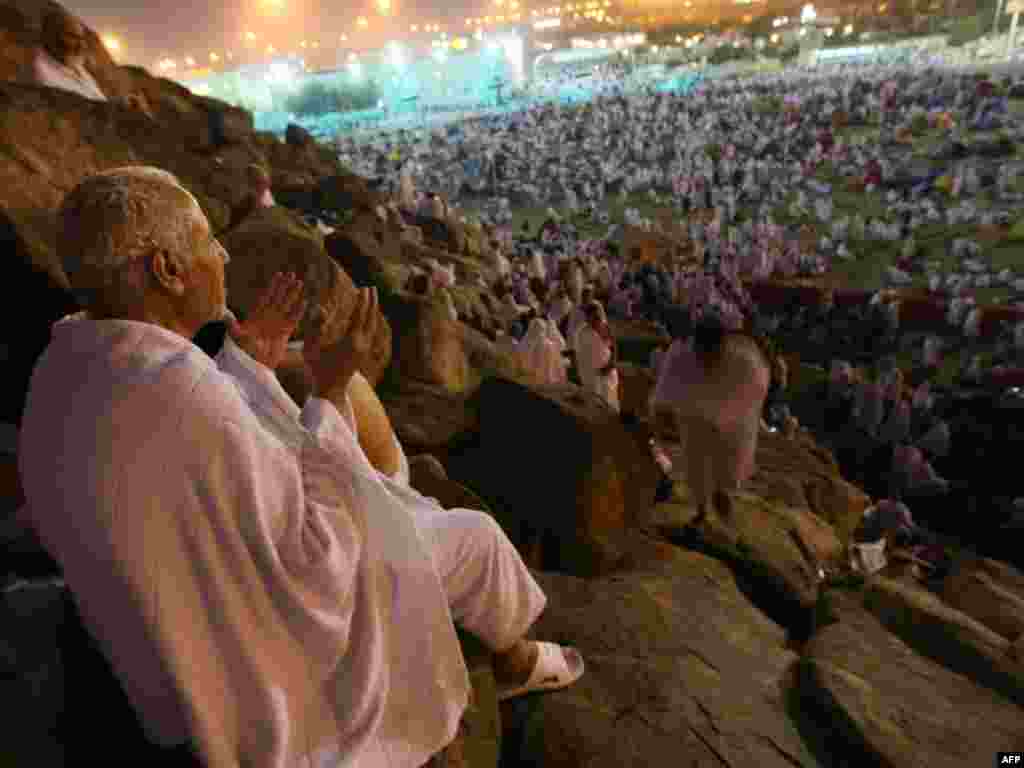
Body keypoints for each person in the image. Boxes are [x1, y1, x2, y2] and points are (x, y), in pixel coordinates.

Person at [18, 167, 583, 768]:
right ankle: (516, 659)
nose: (224, 253)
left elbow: (217, 470)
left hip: (161, 658)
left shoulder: (63, 372)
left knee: (400, 497)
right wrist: (332, 388)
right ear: (168, 270)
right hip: (248, 664)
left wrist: (252, 364)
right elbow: (317, 558)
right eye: (207, 240)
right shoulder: (180, 393)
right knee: (472, 537)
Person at [650, 314, 771, 523]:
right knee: (696, 466)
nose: (707, 358)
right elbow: (663, 393)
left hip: (729, 424)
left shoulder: (743, 361)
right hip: (694, 420)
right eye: (703, 352)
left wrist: (730, 415)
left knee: (728, 464)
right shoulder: (681, 355)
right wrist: (663, 419)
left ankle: (721, 491)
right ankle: (702, 509)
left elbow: (757, 385)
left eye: (713, 352)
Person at [575, 301, 620, 412]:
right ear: (587, 317)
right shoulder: (582, 332)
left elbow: (614, 349)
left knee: (609, 401)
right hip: (590, 374)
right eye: (593, 317)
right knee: (593, 403)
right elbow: (580, 355)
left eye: (598, 316)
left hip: (607, 372)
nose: (596, 319)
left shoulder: (606, 328)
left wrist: (610, 365)